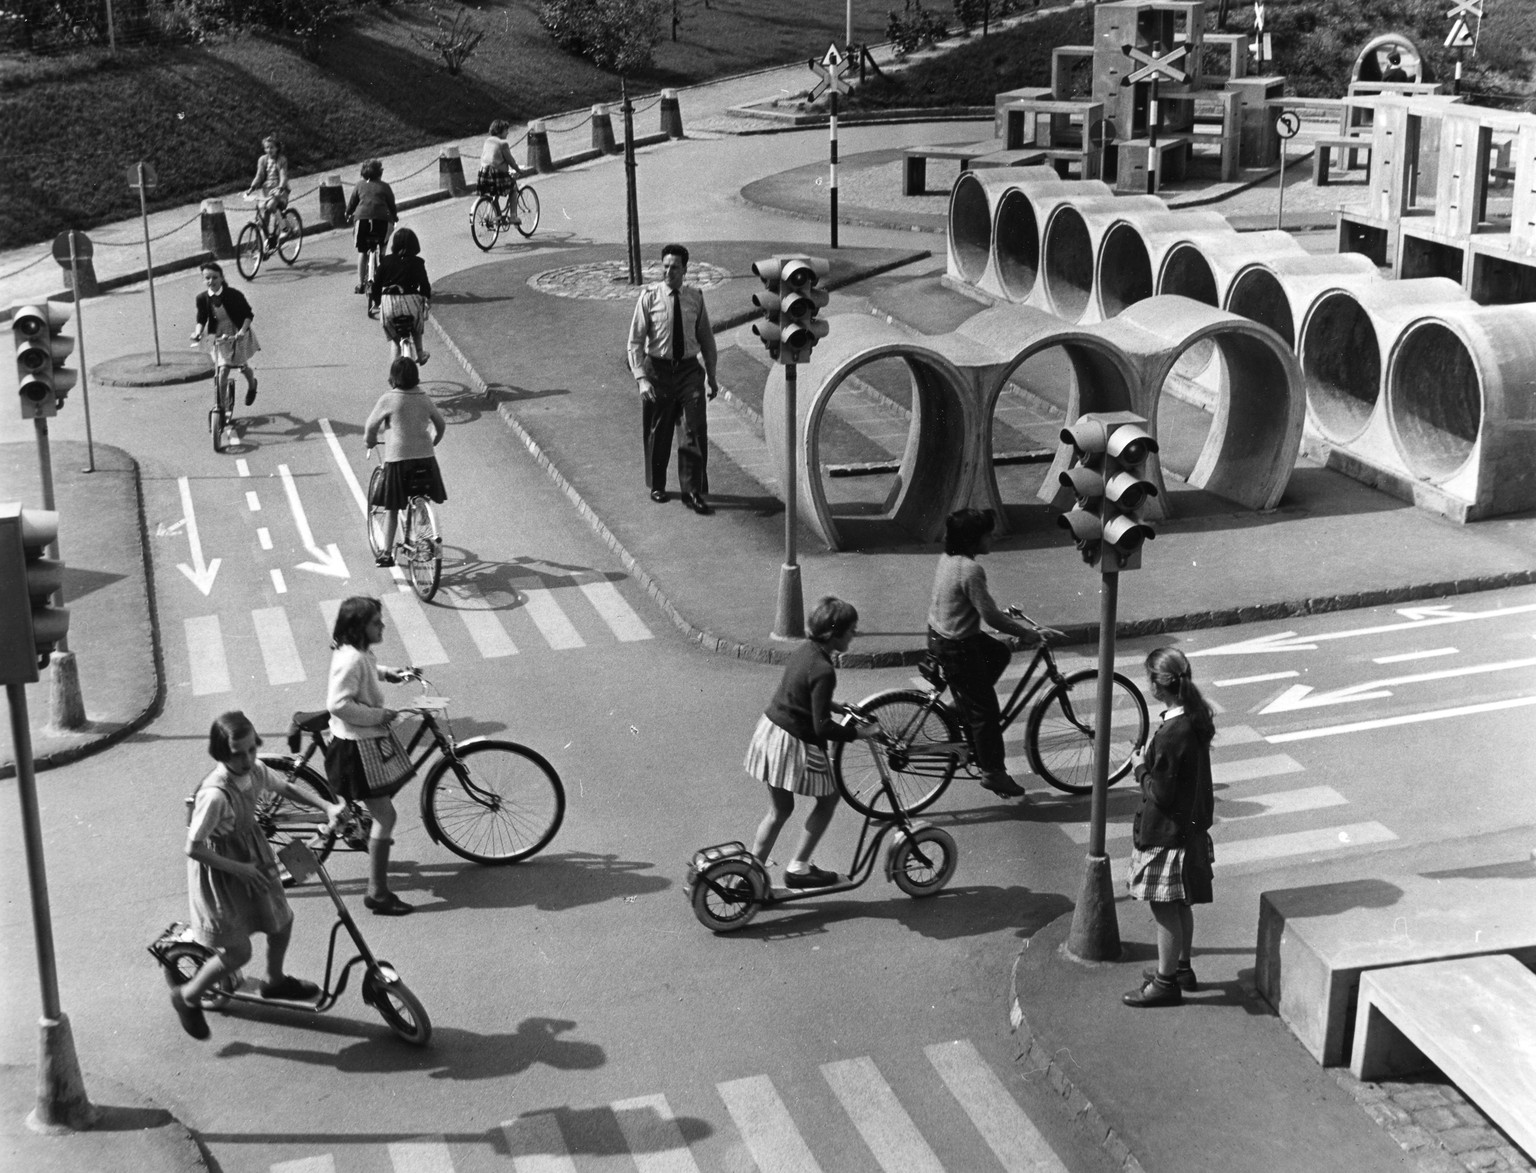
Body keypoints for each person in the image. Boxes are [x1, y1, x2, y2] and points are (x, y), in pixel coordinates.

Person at [169, 711, 347, 1040]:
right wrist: (240, 868)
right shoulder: (215, 795)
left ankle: (274, 981)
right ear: (222, 753)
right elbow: (193, 848)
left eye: (252, 749)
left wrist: (326, 806)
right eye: (238, 753)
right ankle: (187, 997)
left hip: (252, 857)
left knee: (281, 919)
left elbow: (286, 788)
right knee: (239, 953)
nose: (248, 758)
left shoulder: (255, 770)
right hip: (223, 872)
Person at [927, 508, 1061, 800]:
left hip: (941, 635)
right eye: (988, 534)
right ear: (975, 540)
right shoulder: (972, 570)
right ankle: (993, 774)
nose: (993, 538)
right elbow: (990, 617)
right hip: (957, 646)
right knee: (986, 713)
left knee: (998, 652)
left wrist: (1009, 619)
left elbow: (979, 605)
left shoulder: (949, 559)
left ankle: (961, 705)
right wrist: (1026, 633)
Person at [745, 597, 877, 888]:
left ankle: (751, 873)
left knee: (779, 810)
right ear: (833, 635)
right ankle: (798, 868)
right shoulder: (825, 669)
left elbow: (803, 694)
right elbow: (822, 726)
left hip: (771, 731)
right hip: (793, 741)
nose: (854, 636)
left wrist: (835, 705)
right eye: (851, 631)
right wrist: (859, 734)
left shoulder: (805, 651)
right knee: (829, 798)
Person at [1122, 647, 1216, 1008]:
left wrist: (1140, 767)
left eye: (1150, 679)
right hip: (1190, 830)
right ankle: (1181, 968)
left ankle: (1164, 984)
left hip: (1167, 836)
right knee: (1181, 905)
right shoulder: (1193, 718)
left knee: (1164, 907)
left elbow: (1160, 792)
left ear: (1159, 686)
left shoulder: (1171, 733)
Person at [324, 596, 419, 916]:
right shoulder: (351, 658)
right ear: (359, 627)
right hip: (355, 748)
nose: (383, 626)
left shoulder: (358, 653)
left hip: (362, 743)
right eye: (376, 622)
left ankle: (365, 833)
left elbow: (366, 667)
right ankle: (377, 893)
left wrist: (388, 673)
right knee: (386, 815)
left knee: (382, 806)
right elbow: (338, 705)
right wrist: (378, 715)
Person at [626, 243, 721, 515]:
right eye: (665, 266)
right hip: (658, 371)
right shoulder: (649, 298)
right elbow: (635, 341)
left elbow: (707, 341)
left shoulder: (695, 298)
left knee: (693, 429)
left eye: (675, 267)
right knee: (660, 430)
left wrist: (712, 376)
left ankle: (692, 491)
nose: (669, 271)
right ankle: (658, 484)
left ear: (685, 269)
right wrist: (641, 378)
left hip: (689, 371)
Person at [364, 356, 446, 568]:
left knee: (392, 507)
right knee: (422, 497)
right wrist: (432, 442)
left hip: (398, 461)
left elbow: (371, 427)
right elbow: (440, 425)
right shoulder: (424, 398)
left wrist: (371, 442)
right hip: (426, 460)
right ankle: (426, 540)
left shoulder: (389, 399)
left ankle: (386, 553)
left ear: (393, 377)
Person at [189, 262, 260, 407]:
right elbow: (201, 319)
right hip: (218, 336)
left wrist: (241, 331)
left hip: (237, 333)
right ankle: (220, 407)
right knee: (222, 371)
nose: (211, 281)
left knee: (242, 367)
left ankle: (252, 385)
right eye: (207, 278)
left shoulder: (234, 295)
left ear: (222, 278)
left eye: (214, 277)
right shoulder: (202, 298)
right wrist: (197, 332)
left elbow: (248, 315)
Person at [369, 226, 432, 365]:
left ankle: (394, 375)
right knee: (416, 327)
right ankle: (420, 353)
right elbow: (425, 286)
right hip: (411, 303)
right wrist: (425, 298)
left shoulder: (386, 261)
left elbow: (376, 285)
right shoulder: (418, 263)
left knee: (396, 342)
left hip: (389, 305)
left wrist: (379, 303)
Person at [345, 158, 399, 301]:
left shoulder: (359, 186)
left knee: (362, 252)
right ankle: (381, 255)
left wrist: (348, 213)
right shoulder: (385, 187)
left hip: (362, 221)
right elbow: (392, 206)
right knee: (383, 244)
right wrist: (394, 217)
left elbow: (352, 204)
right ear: (379, 173)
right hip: (382, 221)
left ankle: (360, 283)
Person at [478, 119, 524, 225]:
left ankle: (492, 217)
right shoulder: (503, 143)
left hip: (484, 173)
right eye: (506, 130)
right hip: (496, 174)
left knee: (493, 193)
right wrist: (518, 169)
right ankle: (513, 217)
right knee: (513, 189)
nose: (508, 132)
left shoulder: (487, 141)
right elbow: (510, 160)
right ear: (500, 131)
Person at [245, 133, 290, 243]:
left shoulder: (281, 160)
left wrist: (280, 187)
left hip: (280, 189)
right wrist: (251, 189)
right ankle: (265, 245)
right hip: (267, 190)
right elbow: (259, 175)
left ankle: (285, 228)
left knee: (270, 206)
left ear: (277, 148)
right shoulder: (262, 160)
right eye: (266, 147)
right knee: (263, 215)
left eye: (272, 147)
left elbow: (283, 176)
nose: (269, 150)